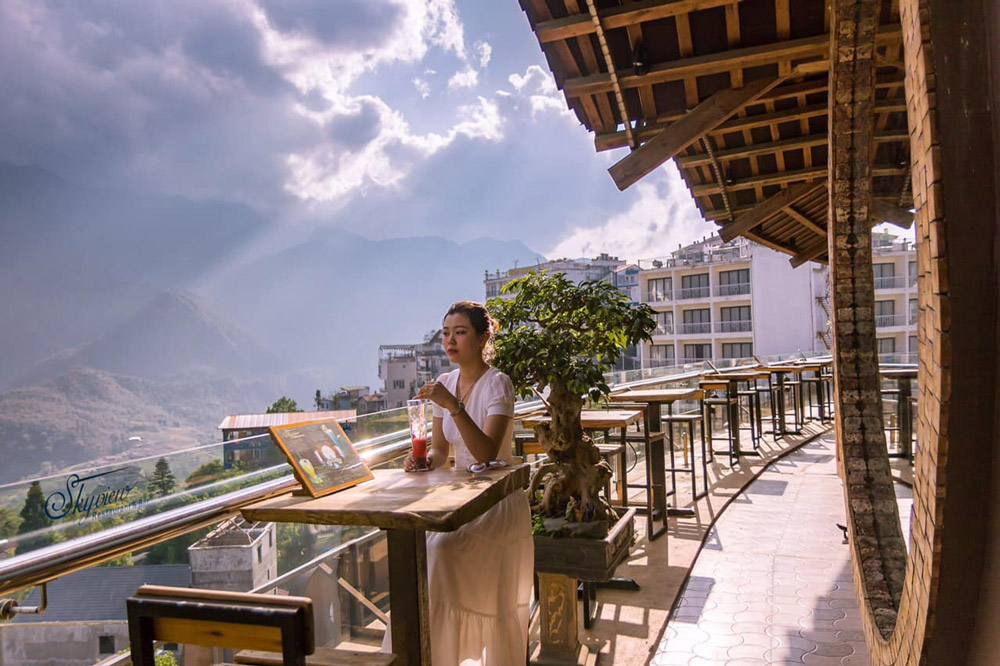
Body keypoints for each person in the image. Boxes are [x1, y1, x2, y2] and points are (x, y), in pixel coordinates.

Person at [383, 300, 533, 665]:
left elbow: (485, 454)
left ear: (483, 338)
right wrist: (420, 461)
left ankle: (442, 653)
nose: (450, 341)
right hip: (457, 497)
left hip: (495, 500)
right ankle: (424, 653)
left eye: (460, 333)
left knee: (439, 554)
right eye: (446, 333)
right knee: (421, 556)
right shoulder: (445, 385)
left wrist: (453, 406)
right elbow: (439, 450)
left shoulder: (499, 384)